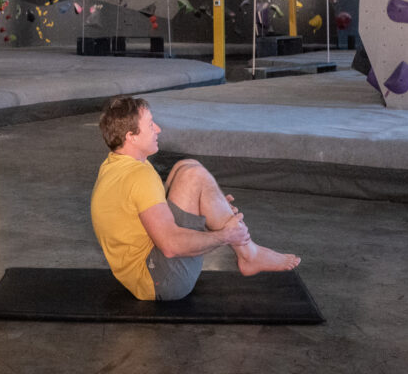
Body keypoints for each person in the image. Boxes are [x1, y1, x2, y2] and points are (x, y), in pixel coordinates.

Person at [91, 95, 301, 301]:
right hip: (161, 280)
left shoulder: (115, 165)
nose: (158, 129)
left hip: (138, 276)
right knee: (193, 175)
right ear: (131, 136)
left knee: (184, 167)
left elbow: (151, 205)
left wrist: (208, 206)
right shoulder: (140, 175)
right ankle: (249, 255)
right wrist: (224, 235)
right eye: (151, 124)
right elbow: (171, 247)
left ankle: (248, 251)